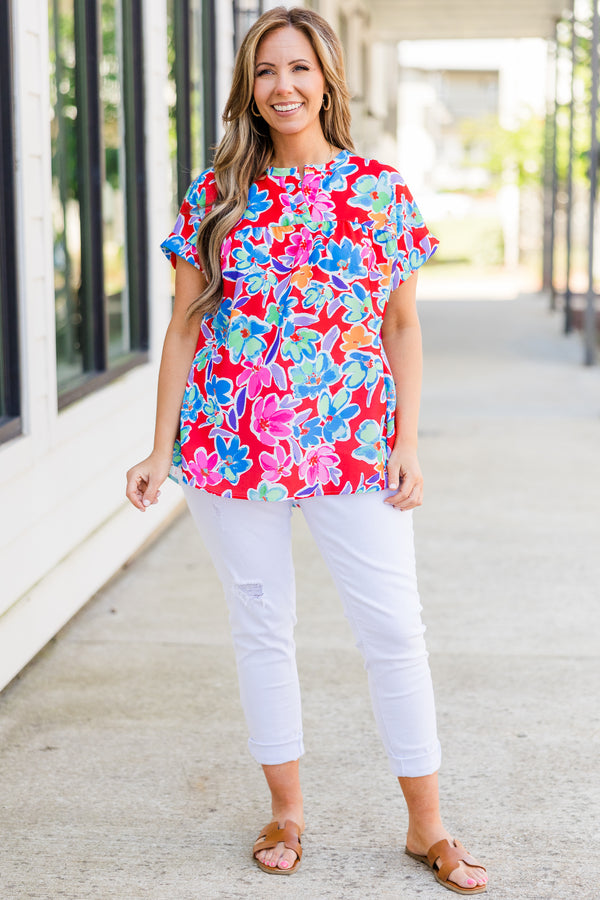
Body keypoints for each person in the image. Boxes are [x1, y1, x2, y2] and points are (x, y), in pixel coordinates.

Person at [125, 6, 487, 894]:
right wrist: (159, 449)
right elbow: (183, 330)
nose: (281, 86)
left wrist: (406, 440)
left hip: (352, 448)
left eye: (297, 69)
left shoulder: (379, 192)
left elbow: (401, 327)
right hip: (231, 448)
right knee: (261, 628)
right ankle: (285, 811)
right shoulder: (215, 196)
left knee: (394, 630)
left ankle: (427, 826)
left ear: (327, 80)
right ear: (247, 89)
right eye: (264, 71)